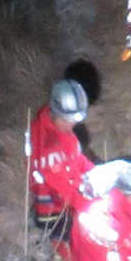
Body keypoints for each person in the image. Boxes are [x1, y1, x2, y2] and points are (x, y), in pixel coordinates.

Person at [25, 79, 93, 239]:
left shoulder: (52, 122)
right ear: (56, 112)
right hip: (53, 214)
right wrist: (88, 204)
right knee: (87, 239)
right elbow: (63, 191)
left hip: (67, 195)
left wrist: (96, 172)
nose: (71, 125)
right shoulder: (50, 149)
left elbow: (75, 158)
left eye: (74, 121)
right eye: (66, 121)